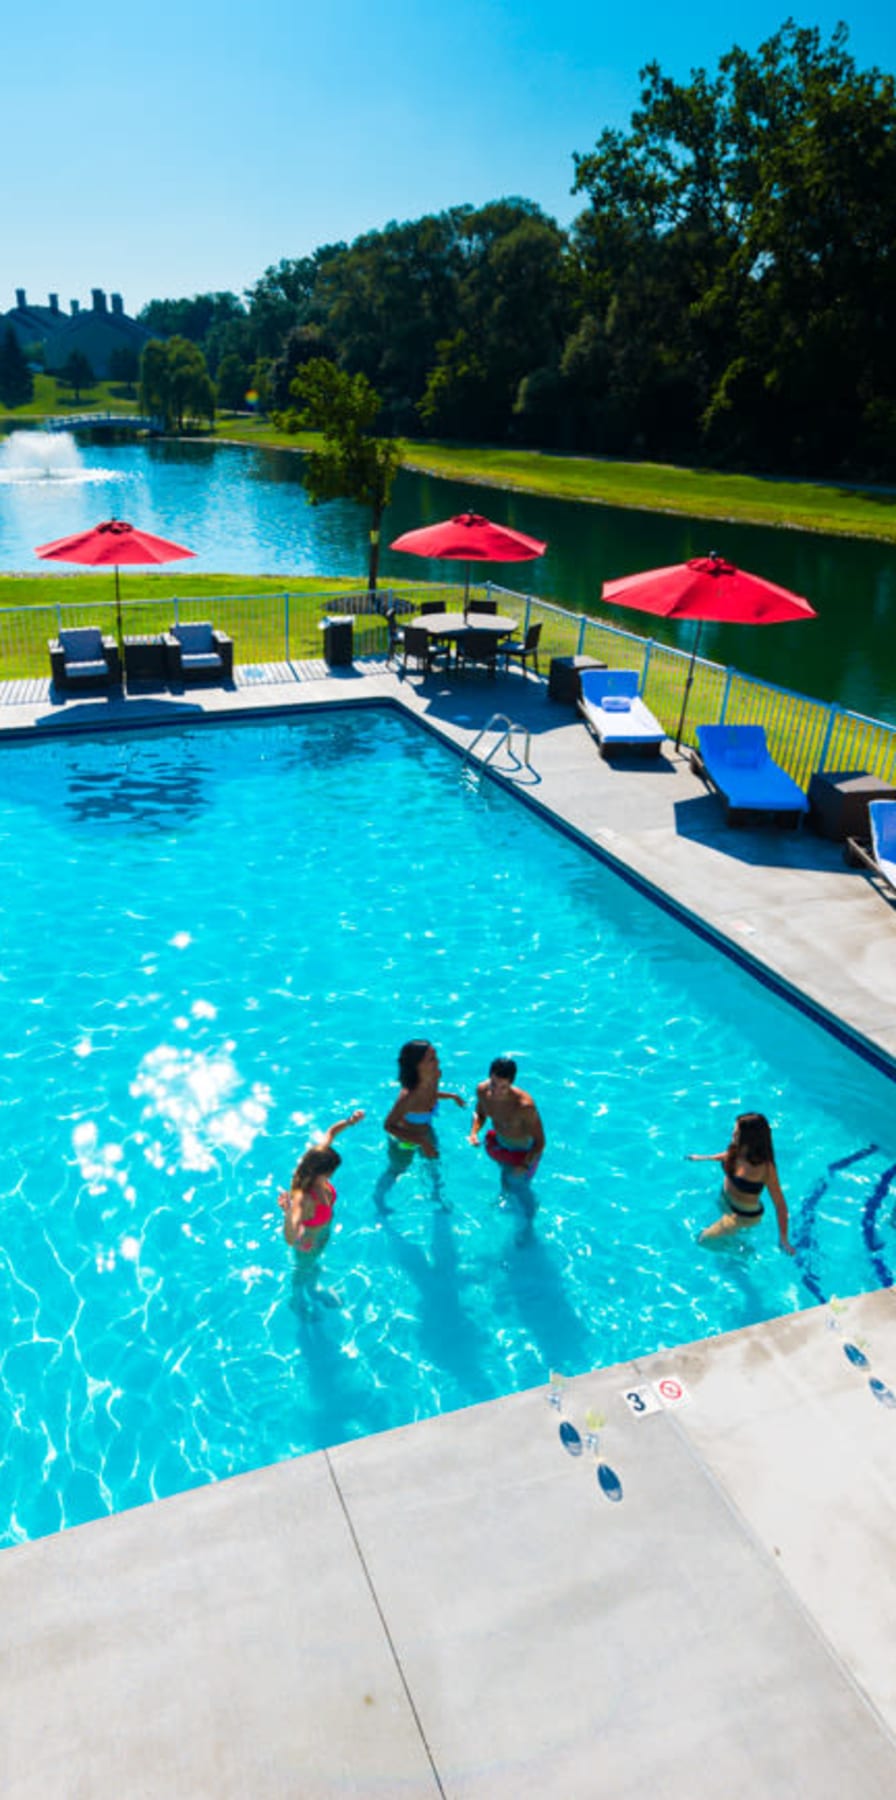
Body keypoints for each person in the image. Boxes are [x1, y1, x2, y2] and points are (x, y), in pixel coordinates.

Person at [687, 1111, 794, 1254]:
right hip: (726, 1203)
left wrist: (784, 1239)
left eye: (737, 1133)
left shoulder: (765, 1168)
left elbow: (780, 1204)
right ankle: (735, 1245)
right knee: (723, 1236)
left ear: (750, 1139)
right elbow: (724, 1156)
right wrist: (703, 1158)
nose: (733, 1135)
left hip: (741, 1216)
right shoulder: (736, 1150)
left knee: (703, 1240)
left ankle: (744, 1253)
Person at [376, 1039, 465, 1211]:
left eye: (435, 1056)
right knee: (398, 1170)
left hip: (425, 1132)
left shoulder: (435, 1075)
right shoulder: (408, 1097)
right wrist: (421, 1142)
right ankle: (379, 1199)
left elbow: (431, 1094)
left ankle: (437, 1195)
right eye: (431, 1059)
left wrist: (452, 1096)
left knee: (434, 1163)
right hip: (404, 1140)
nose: (437, 1062)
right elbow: (388, 1126)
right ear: (417, 1066)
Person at [278, 1109, 364, 1258]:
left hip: (323, 1228)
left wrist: (351, 1121)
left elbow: (331, 1132)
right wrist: (288, 1212)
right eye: (331, 1172)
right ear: (320, 1172)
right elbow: (290, 1239)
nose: (332, 1174)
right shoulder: (303, 1198)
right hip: (308, 1241)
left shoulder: (315, 1160)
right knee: (307, 1269)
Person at [469, 1056, 545, 1180]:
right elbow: (480, 1114)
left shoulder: (524, 1106)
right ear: (489, 1077)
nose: (496, 1091)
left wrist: (525, 1165)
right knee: (504, 1179)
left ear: (511, 1083)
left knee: (516, 1188)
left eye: (503, 1087)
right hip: (500, 1143)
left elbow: (540, 1142)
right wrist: (474, 1132)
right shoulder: (482, 1091)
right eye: (493, 1084)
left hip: (523, 1151)